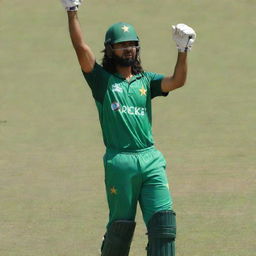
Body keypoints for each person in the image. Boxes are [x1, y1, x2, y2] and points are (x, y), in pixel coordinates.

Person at [60, 1, 196, 255]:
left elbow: (177, 81)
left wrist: (183, 50)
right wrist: (72, 11)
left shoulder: (147, 81)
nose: (128, 49)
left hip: (151, 158)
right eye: (122, 45)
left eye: (132, 44)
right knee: (121, 230)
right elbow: (81, 48)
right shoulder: (102, 81)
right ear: (110, 49)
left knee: (164, 227)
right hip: (120, 162)